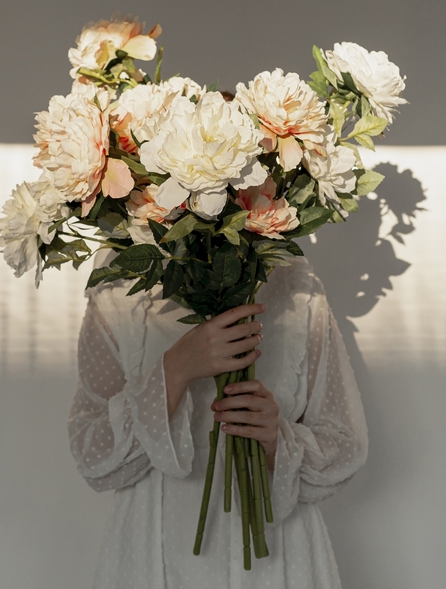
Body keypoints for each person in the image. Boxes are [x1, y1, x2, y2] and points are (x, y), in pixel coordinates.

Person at [67, 252, 368, 588]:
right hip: (153, 549)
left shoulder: (291, 278)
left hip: (276, 551)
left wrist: (276, 441)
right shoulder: (120, 279)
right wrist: (174, 369)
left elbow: (345, 444)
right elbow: (91, 453)